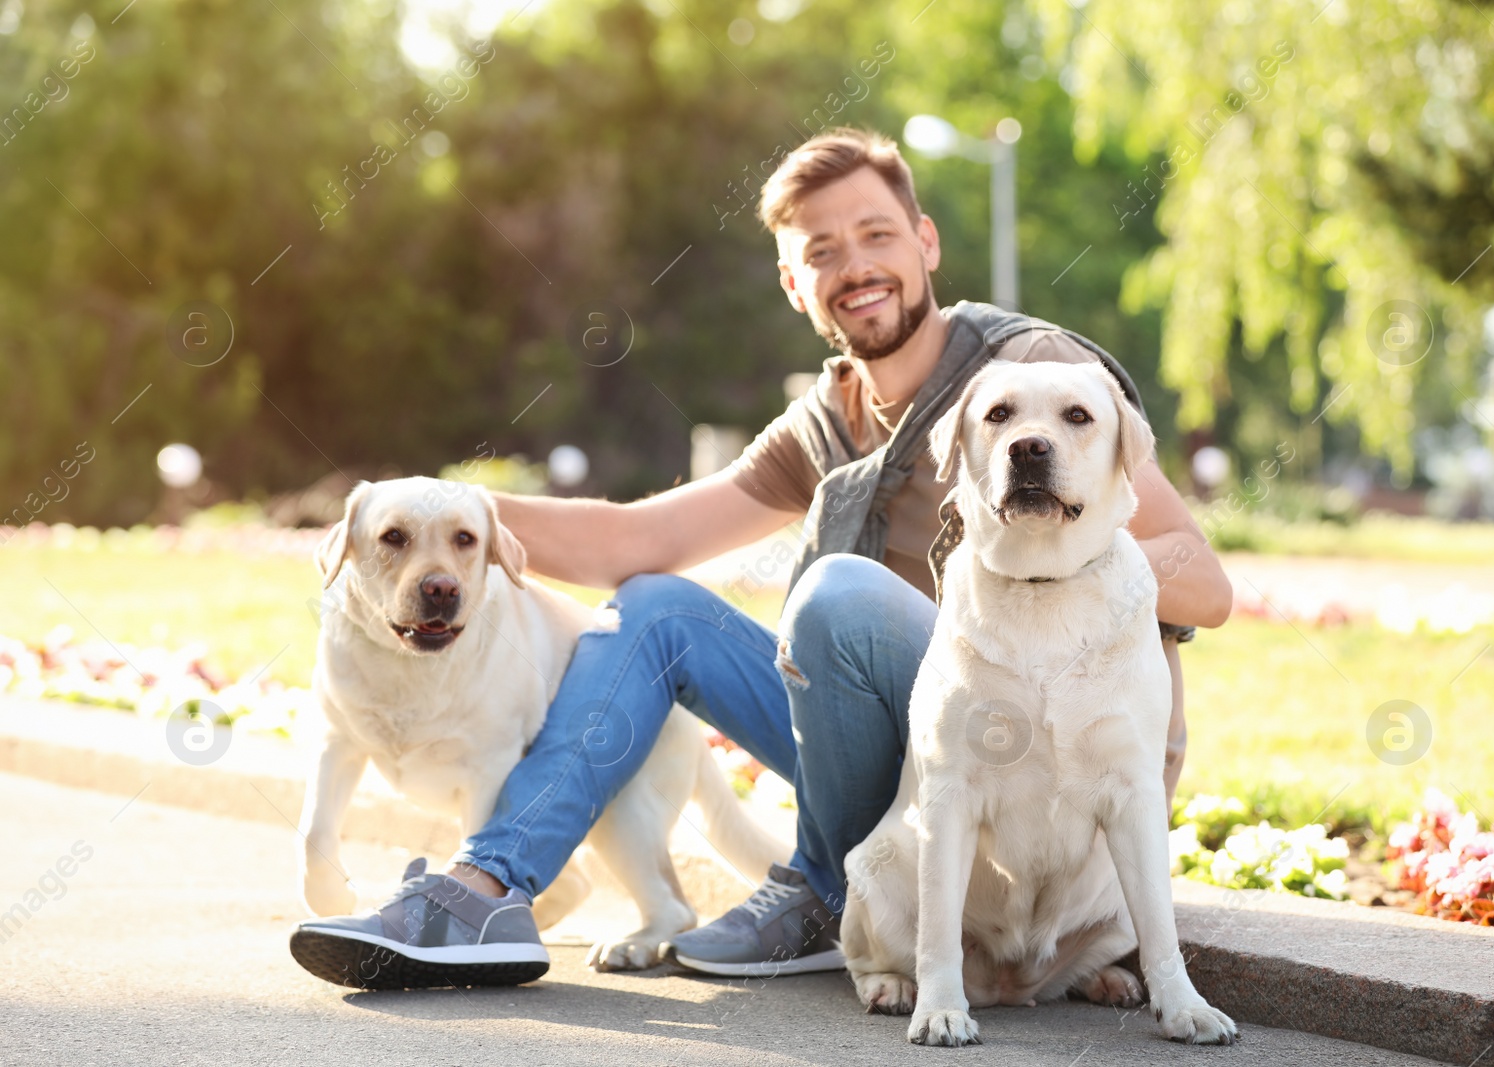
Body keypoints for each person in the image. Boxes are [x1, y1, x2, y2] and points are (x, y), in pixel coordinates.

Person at [292, 127, 1231, 983]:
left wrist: (1037, 557)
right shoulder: (826, 421)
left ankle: (821, 887)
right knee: (658, 603)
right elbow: (643, 538)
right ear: (794, 285)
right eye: (821, 252)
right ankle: (488, 887)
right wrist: (450, 511)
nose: (855, 266)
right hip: (891, 758)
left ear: (926, 242)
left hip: (1027, 758)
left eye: (876, 234)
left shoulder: (1030, 379)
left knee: (837, 595)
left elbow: (1204, 576)